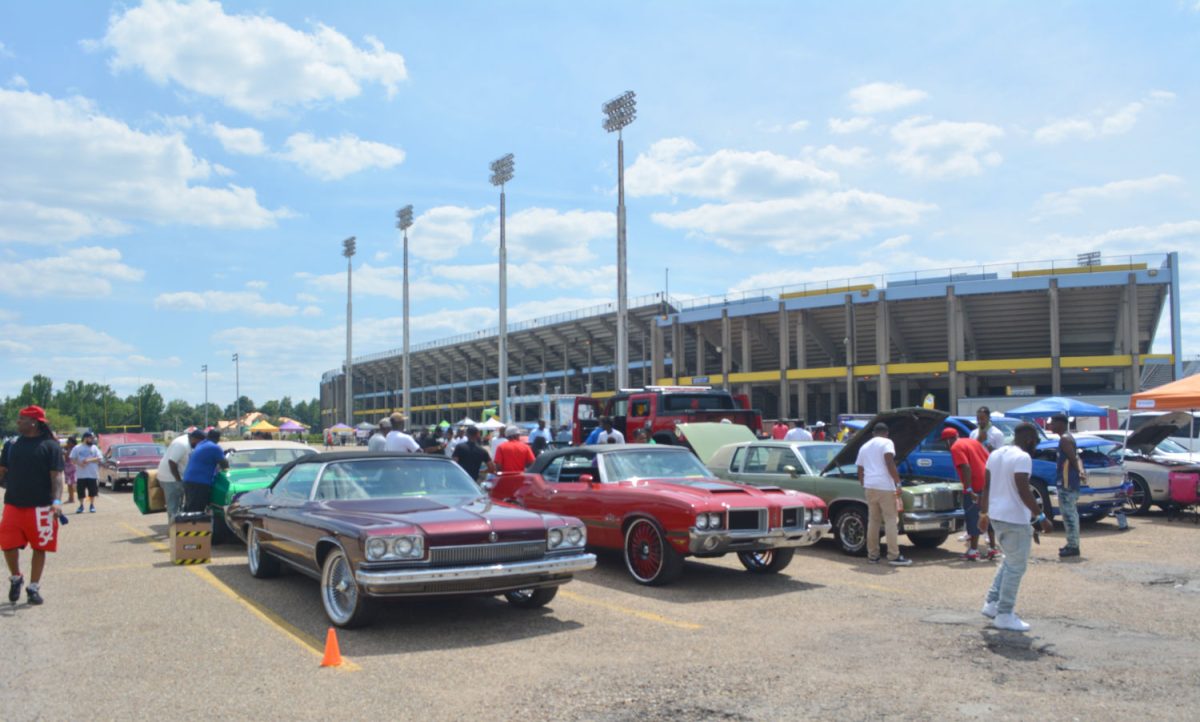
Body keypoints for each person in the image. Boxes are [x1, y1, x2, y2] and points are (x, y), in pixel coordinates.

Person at [979, 422, 1054, 632]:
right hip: (1014, 518)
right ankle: (1004, 613)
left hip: (996, 515)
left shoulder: (996, 454)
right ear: (1030, 440)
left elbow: (986, 485)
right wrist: (1040, 516)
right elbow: (1023, 488)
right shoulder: (1023, 457)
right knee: (1016, 566)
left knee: (1008, 561)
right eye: (1036, 442)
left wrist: (983, 513)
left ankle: (992, 603)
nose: (1036, 446)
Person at [0, 406, 64, 606]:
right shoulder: (11, 445)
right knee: (7, 544)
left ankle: (33, 587)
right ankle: (16, 577)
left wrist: (56, 501)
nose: (18, 422)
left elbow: (57, 477)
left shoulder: (50, 446)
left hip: (42, 507)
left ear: (34, 423)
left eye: (22, 419)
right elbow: (2, 470)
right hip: (13, 504)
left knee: (39, 547)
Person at [855, 422, 912, 566]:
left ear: (874, 433)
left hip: (870, 486)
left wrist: (863, 482)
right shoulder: (887, 442)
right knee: (891, 521)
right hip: (885, 486)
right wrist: (898, 482)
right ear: (886, 433)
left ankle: (873, 555)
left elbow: (860, 469)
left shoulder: (864, 446)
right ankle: (893, 555)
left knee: (873, 521)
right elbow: (889, 462)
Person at [943, 427, 997, 561]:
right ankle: (993, 548)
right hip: (989, 482)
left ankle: (973, 550)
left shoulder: (955, 447)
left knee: (973, 516)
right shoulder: (972, 442)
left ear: (948, 440)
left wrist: (968, 489)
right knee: (988, 515)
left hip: (976, 485)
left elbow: (965, 467)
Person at [1048, 413, 1085, 558]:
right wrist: (1081, 471)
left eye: (1053, 422)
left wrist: (1079, 471)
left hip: (1067, 483)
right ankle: (1072, 543)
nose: (1051, 425)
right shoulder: (1067, 438)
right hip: (1069, 482)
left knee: (1069, 516)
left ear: (1061, 423)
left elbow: (1074, 458)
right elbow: (1077, 457)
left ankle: (1073, 546)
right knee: (1071, 514)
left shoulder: (1065, 439)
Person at [156, 429, 204, 522]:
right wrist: (178, 480)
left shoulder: (189, 441)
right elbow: (172, 462)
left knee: (179, 505)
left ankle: (179, 526)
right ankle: (173, 529)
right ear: (194, 439)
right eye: (200, 443)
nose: (199, 445)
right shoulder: (182, 444)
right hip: (170, 478)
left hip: (177, 477)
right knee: (173, 505)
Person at [181, 429, 228, 513]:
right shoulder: (215, 447)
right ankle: (194, 526)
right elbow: (225, 465)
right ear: (218, 439)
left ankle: (186, 525)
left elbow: (207, 457)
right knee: (196, 511)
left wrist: (223, 453)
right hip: (199, 483)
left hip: (189, 481)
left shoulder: (201, 444)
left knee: (189, 508)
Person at [69, 431, 103, 514]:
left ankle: (92, 505)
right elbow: (72, 458)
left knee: (92, 491)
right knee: (81, 492)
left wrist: (89, 460)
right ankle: (81, 506)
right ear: (85, 438)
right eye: (90, 438)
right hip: (81, 475)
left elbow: (99, 458)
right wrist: (79, 463)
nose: (92, 440)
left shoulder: (94, 447)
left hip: (92, 474)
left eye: (92, 438)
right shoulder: (77, 448)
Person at [61, 436, 77, 506]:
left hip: (71, 467)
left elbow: (67, 456)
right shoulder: (68, 448)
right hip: (67, 467)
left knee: (71, 483)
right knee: (68, 483)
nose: (67, 443)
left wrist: (65, 451)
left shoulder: (73, 449)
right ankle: (70, 497)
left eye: (68, 442)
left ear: (72, 443)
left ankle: (72, 498)